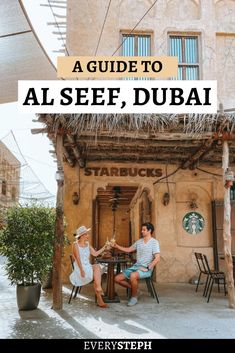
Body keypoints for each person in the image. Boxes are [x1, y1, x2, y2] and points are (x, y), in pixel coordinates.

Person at [113, 222, 160, 306]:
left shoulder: (154, 242)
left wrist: (148, 268)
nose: (142, 231)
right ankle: (136, 290)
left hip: (146, 269)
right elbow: (129, 249)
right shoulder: (139, 242)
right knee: (117, 278)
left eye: (144, 230)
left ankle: (134, 297)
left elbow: (157, 258)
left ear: (149, 231)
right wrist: (117, 246)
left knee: (133, 276)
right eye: (142, 229)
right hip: (136, 267)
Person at [69, 225, 108, 308]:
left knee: (97, 267)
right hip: (80, 268)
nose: (88, 235)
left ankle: (98, 289)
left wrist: (105, 247)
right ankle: (99, 295)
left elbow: (95, 254)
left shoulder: (87, 244)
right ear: (82, 235)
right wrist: (82, 270)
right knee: (97, 270)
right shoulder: (75, 245)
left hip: (88, 266)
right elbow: (78, 259)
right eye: (86, 234)